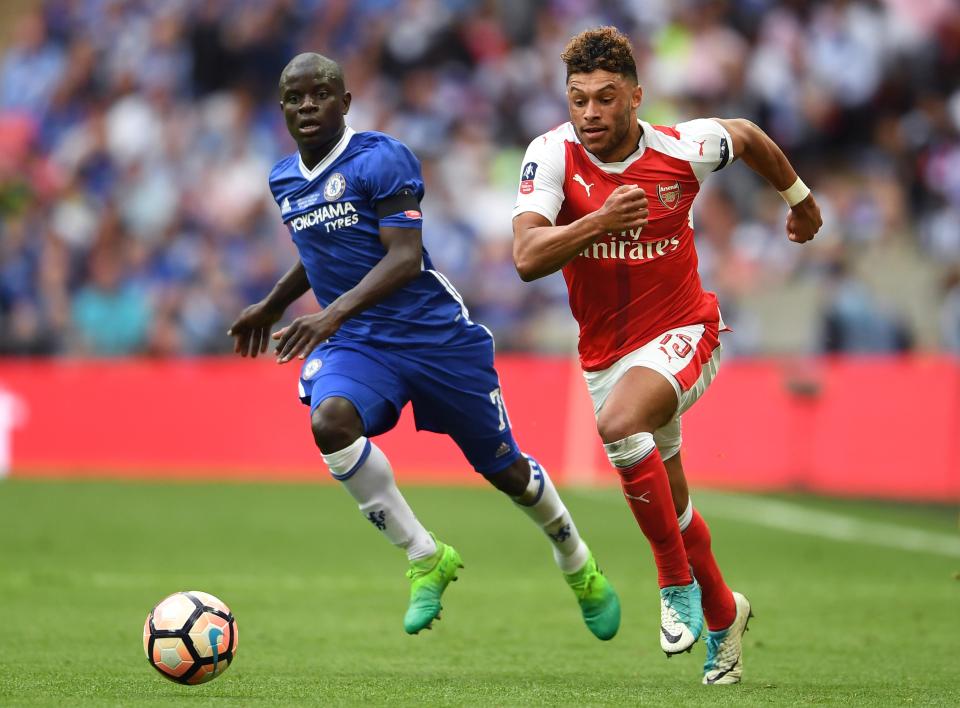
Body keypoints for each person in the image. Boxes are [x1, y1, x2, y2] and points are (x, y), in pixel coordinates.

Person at [228, 53, 620, 640]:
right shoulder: (285, 177)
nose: (307, 105)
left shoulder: (381, 159)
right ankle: (424, 555)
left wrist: (327, 315)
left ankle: (576, 561)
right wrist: (275, 303)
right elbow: (319, 251)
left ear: (346, 102)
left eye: (320, 94)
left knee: (505, 470)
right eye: (294, 97)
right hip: (362, 343)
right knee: (330, 423)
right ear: (281, 107)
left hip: (435, 338)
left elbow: (404, 258)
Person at [511, 27, 822, 685]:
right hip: (606, 355)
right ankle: (723, 617)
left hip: (686, 332)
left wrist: (799, 201)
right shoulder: (552, 156)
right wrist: (599, 221)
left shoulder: (684, 147)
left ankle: (673, 581)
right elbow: (526, 258)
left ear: (635, 97)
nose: (590, 113)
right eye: (578, 100)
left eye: (605, 98)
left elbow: (749, 136)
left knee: (620, 427)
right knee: (674, 508)